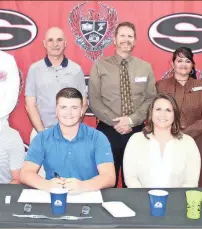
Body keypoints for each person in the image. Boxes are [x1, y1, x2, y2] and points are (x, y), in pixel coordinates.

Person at [88, 21, 156, 188]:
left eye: (130, 36)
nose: (126, 39)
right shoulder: (100, 66)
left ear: (135, 40)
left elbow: (150, 99)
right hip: (107, 131)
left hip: (137, 131)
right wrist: (117, 122)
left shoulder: (145, 67)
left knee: (133, 182)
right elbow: (94, 99)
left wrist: (131, 120)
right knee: (105, 180)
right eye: (122, 35)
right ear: (114, 39)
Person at [20, 88, 115, 193]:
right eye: (63, 107)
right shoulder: (42, 138)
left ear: (82, 111)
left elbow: (109, 177)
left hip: (88, 195)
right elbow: (25, 173)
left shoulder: (97, 137)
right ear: (56, 110)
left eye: (74, 108)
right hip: (54, 196)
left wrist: (83, 186)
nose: (68, 113)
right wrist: (47, 184)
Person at [155, 47, 202, 187]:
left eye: (187, 61)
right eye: (179, 60)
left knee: (194, 181)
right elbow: (153, 113)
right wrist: (172, 134)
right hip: (166, 141)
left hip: (195, 141)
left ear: (192, 65)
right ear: (172, 64)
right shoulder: (161, 86)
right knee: (166, 180)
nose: (183, 64)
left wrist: (185, 134)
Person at [123, 93, 201, 188]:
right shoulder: (136, 140)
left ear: (175, 115)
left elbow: (191, 182)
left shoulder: (188, 142)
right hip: (142, 200)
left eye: (168, 110)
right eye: (158, 109)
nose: (162, 114)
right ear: (151, 113)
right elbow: (131, 178)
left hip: (177, 201)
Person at [25, 27, 87, 141]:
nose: (55, 44)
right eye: (50, 40)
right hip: (41, 133)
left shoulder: (76, 70)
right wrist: (42, 133)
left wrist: (70, 130)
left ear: (65, 43)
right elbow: (30, 105)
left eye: (59, 40)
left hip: (70, 134)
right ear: (44, 43)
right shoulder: (34, 69)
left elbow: (83, 104)